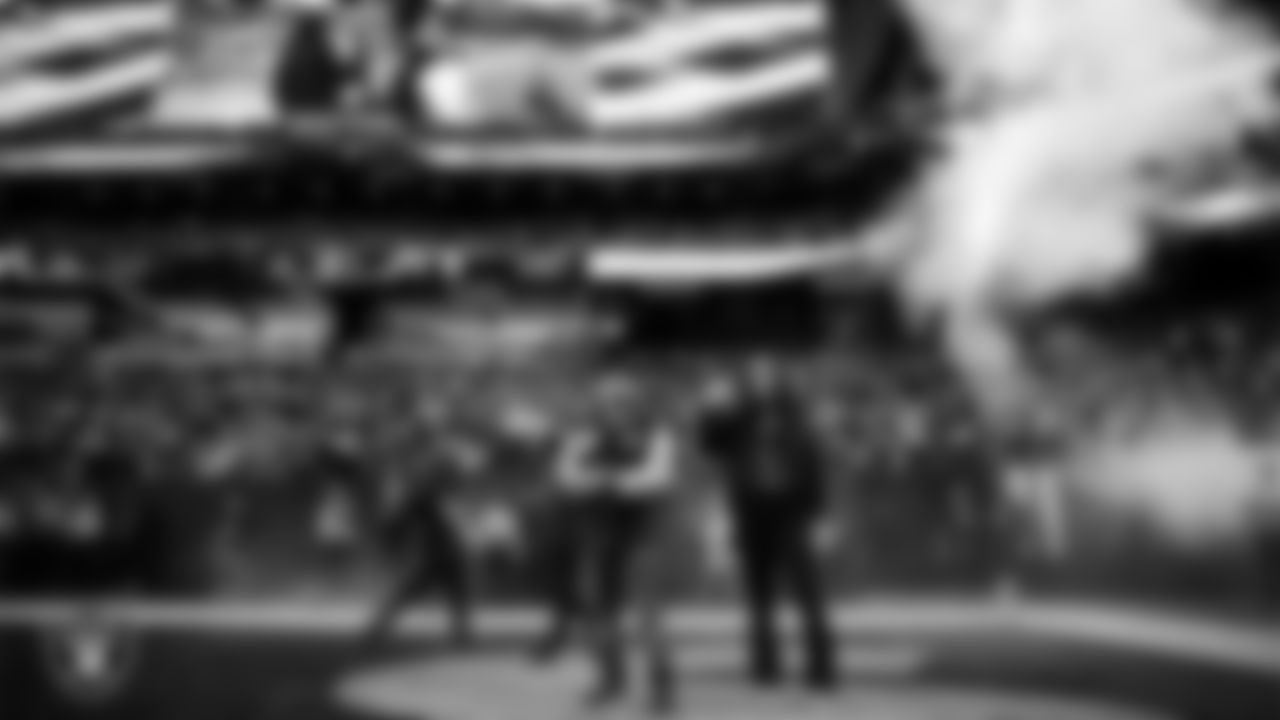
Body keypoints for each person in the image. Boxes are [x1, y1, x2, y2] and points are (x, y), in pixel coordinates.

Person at [696, 355, 839, 691]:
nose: (761, 379)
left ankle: (821, 668)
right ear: (747, 381)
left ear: (777, 378)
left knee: (809, 590)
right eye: (754, 374)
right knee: (759, 594)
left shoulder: (797, 413)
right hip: (751, 512)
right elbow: (710, 445)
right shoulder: (736, 417)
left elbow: (814, 463)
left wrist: (821, 514)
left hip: (793, 512)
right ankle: (765, 667)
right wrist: (711, 408)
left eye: (767, 373)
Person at [561, 372, 681, 715]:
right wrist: (602, 481)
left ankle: (663, 685)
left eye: (621, 399)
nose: (614, 405)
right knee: (599, 609)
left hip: (642, 535)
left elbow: (659, 478)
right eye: (607, 399)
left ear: (634, 401)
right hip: (599, 533)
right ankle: (611, 678)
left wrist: (608, 480)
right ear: (599, 403)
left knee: (648, 616)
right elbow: (567, 477)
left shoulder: (657, 435)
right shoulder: (584, 435)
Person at [361, 422, 475, 652]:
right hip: (443, 552)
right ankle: (379, 628)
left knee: (446, 593)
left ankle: (460, 634)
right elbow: (404, 518)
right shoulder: (431, 496)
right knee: (442, 592)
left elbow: (402, 519)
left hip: (444, 552)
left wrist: (393, 534)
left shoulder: (436, 495)